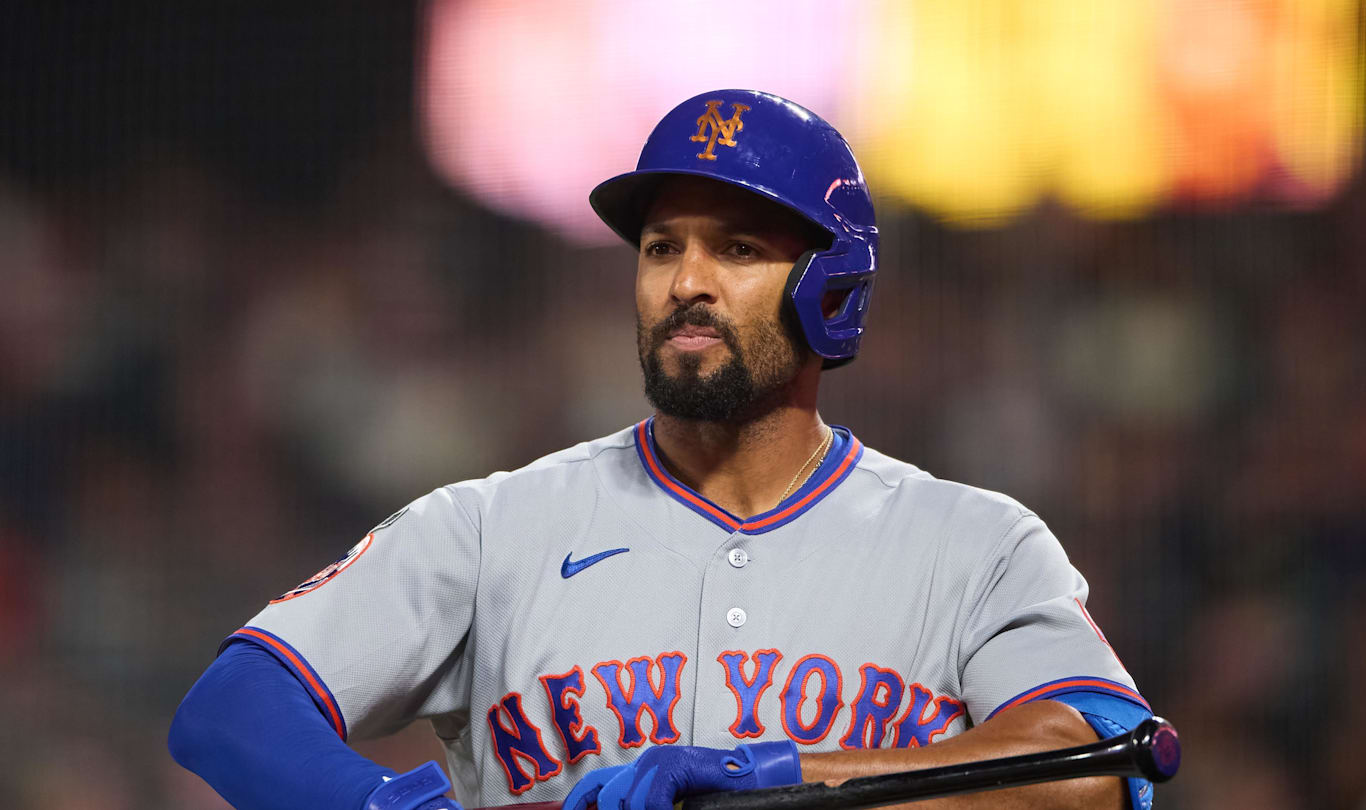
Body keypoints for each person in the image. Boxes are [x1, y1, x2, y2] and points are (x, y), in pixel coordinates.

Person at [169, 89, 1157, 810]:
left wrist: (769, 777)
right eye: (660, 247)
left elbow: (1099, 770)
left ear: (833, 288)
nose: (686, 281)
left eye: (736, 248)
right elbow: (232, 705)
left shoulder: (970, 546)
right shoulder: (494, 529)